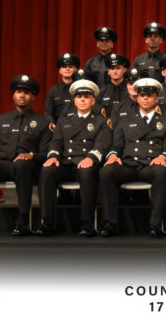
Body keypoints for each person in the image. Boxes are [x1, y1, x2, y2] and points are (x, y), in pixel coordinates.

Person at [0, 75, 53, 236]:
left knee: (22, 164)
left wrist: (31, 156)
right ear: (13, 95)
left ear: (33, 97)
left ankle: (22, 220)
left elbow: (45, 154)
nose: (22, 95)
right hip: (2, 164)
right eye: (19, 92)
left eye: (26, 93)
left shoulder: (42, 123)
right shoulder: (0, 120)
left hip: (27, 166)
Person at [98, 78, 166, 237]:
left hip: (151, 165)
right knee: (107, 172)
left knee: (161, 172)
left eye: (150, 95)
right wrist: (112, 156)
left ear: (156, 98)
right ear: (137, 98)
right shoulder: (125, 121)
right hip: (129, 164)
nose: (145, 98)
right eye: (142, 95)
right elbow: (116, 147)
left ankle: (155, 225)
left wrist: (164, 157)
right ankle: (109, 223)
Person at [38, 79, 110, 236]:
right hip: (66, 161)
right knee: (46, 171)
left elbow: (102, 145)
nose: (82, 99)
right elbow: (56, 142)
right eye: (79, 97)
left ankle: (87, 224)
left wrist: (91, 157)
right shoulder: (64, 120)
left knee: (87, 173)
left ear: (93, 100)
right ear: (74, 100)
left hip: (86, 161)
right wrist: (53, 156)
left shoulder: (101, 121)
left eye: (86, 96)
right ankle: (47, 222)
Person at [44, 53, 80, 124]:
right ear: (60, 71)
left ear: (76, 70)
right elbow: (48, 114)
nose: (67, 69)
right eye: (64, 67)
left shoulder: (80, 88)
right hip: (58, 129)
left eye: (70, 66)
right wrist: (53, 127)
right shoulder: (53, 90)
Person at [97, 54, 130, 118]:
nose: (115, 72)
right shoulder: (102, 93)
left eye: (118, 68)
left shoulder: (131, 90)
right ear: (108, 71)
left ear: (124, 70)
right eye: (112, 68)